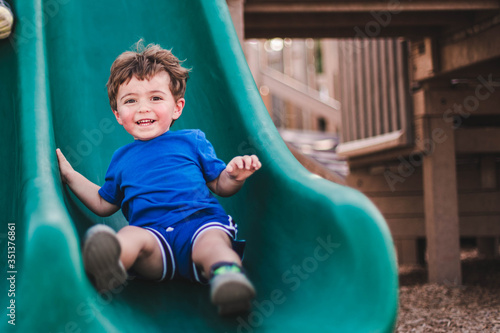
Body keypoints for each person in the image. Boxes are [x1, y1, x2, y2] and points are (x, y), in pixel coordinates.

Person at [56, 40, 261, 315]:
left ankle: (228, 278)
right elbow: (104, 203)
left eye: (155, 98)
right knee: (130, 235)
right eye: (131, 100)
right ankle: (110, 265)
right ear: (117, 114)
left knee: (213, 243)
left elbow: (220, 185)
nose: (143, 108)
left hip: (199, 224)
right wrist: (69, 176)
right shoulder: (121, 158)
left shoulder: (192, 141)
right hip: (153, 239)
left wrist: (235, 175)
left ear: (177, 107)